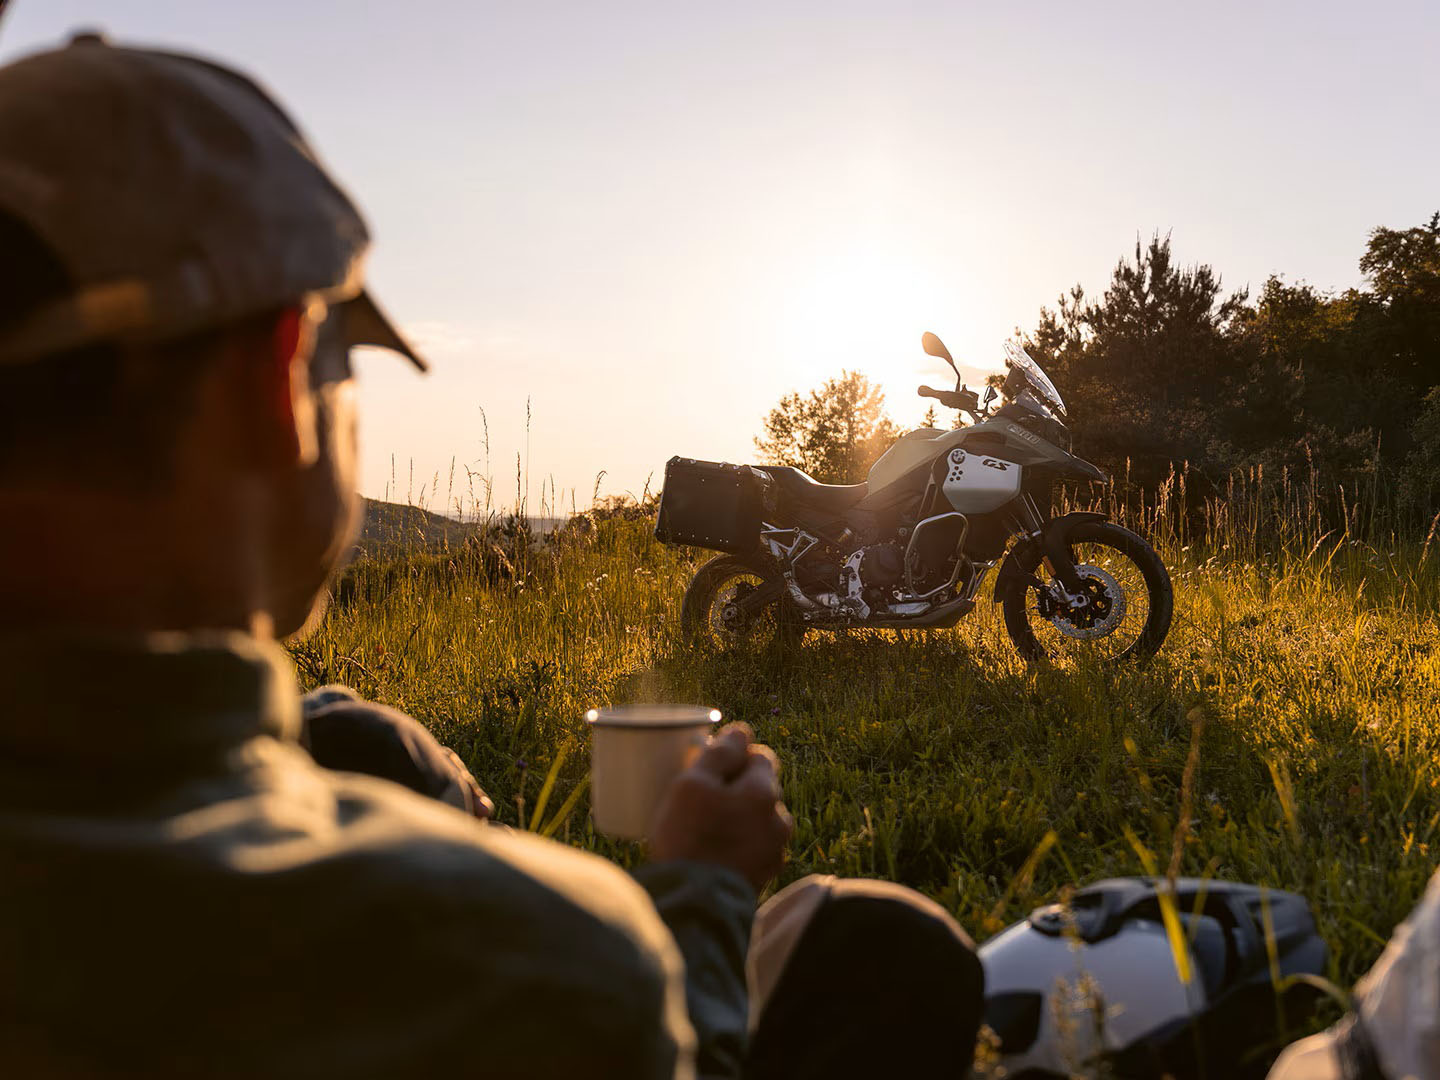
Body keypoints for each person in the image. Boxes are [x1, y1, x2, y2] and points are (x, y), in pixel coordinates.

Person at [0, 32, 984, 1078]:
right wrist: (702, 889)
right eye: (344, 357)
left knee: (353, 734)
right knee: (884, 948)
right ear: (273, 372)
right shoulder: (536, 965)